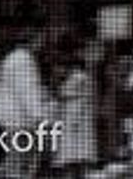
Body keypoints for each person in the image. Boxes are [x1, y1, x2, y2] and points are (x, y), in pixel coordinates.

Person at [0, 23, 56, 179]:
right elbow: (28, 92)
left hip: (11, 121)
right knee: (22, 167)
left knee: (15, 165)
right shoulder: (24, 60)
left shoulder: (11, 58)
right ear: (34, 39)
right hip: (21, 123)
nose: (43, 44)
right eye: (42, 39)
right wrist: (40, 119)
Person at [53, 37, 99, 179]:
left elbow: (85, 97)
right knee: (72, 159)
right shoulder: (75, 77)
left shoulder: (81, 77)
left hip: (77, 120)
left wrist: (76, 118)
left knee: (78, 158)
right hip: (71, 119)